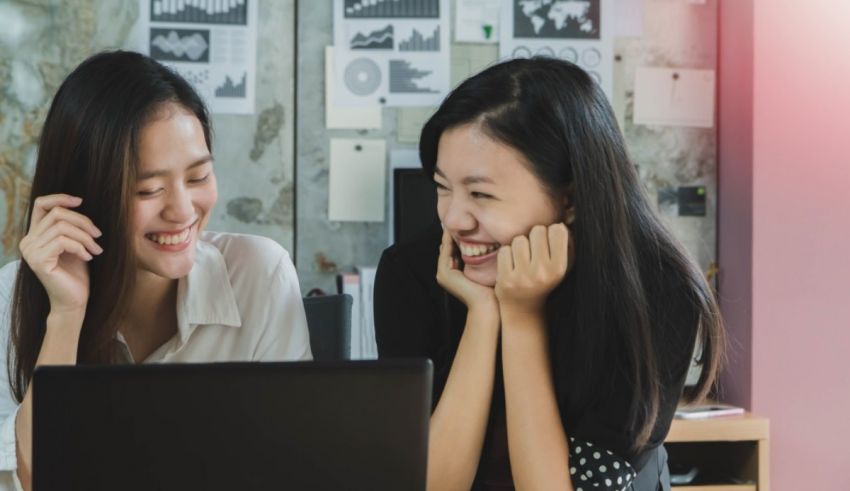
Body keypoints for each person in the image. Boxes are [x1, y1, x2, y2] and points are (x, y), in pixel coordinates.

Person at [374, 57, 725, 491]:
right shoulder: (411, 271)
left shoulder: (657, 290)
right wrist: (484, 317)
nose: (454, 219)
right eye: (443, 188)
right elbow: (433, 484)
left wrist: (522, 318)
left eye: (481, 193)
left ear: (570, 199)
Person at [0, 51, 312, 491]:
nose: (182, 211)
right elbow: (29, 481)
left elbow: (294, 466)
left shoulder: (261, 273)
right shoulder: (13, 293)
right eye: (148, 189)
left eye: (199, 177)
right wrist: (65, 314)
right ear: (81, 195)